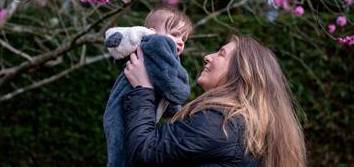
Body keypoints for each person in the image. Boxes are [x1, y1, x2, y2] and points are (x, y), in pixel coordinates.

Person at [123, 36, 307, 167]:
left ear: (242, 72)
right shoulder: (243, 125)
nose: (208, 56)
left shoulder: (221, 123)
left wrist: (143, 89)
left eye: (221, 54)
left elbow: (143, 151)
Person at [103, 5, 193, 167]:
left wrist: (173, 108)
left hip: (136, 109)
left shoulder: (166, 54)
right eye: (175, 35)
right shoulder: (157, 42)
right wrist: (180, 95)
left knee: (125, 150)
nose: (180, 41)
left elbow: (165, 84)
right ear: (151, 31)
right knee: (121, 154)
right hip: (125, 107)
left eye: (184, 39)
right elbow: (174, 88)